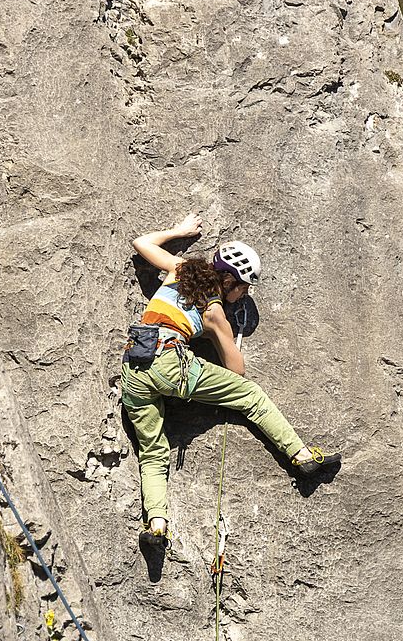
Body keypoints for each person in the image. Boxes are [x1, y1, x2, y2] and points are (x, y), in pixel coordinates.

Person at [122, 216, 339, 544]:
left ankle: (156, 525)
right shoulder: (214, 312)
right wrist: (226, 331)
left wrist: (180, 232)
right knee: (250, 396)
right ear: (229, 282)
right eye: (244, 287)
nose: (245, 293)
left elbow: (142, 244)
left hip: (134, 364)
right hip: (170, 363)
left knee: (152, 448)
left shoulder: (180, 270)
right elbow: (237, 371)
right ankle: (302, 456)